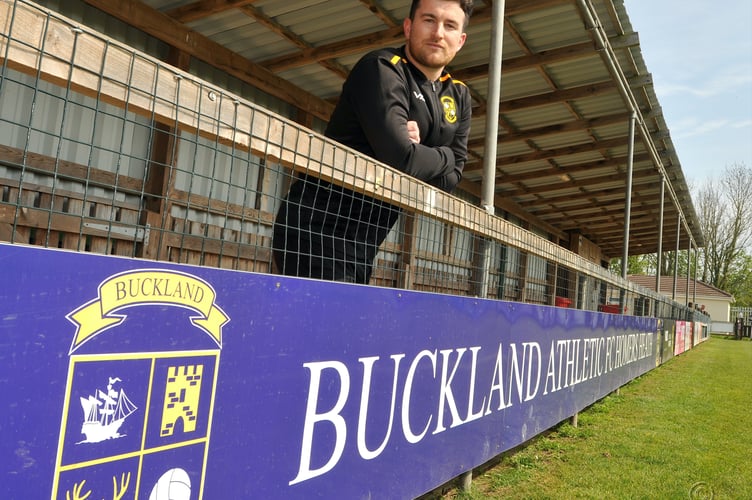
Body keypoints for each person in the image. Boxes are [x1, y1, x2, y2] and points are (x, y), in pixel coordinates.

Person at [273, 0, 473, 283]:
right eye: (429, 20)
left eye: (449, 25)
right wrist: (444, 156)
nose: (438, 32)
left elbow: (452, 178)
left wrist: (428, 155)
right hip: (318, 227)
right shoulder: (381, 68)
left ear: (461, 40)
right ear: (408, 27)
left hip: (365, 238)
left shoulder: (459, 95)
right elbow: (402, 160)